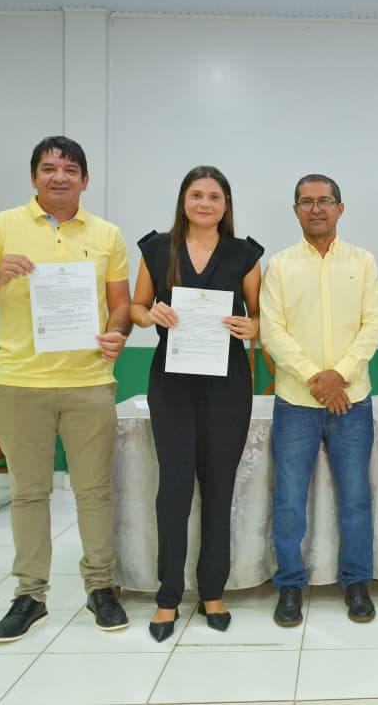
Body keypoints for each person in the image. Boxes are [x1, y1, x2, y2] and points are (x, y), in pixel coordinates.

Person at [0, 135, 132, 642]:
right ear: (34, 178)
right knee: (29, 494)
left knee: (94, 491)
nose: (59, 176)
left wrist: (117, 332)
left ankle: (101, 587)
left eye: (70, 169)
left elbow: (118, 303)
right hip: (20, 381)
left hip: (90, 381)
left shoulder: (107, 234)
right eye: (49, 168)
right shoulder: (0, 227)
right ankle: (30, 595)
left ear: (85, 180)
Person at [129, 165, 263, 642]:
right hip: (173, 385)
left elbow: (263, 316)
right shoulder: (156, 249)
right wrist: (151, 314)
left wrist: (254, 328)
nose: (205, 203)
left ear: (226, 205)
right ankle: (168, 595)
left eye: (214, 196)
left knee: (219, 488)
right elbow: (136, 308)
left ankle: (212, 591)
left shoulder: (244, 254)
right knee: (175, 490)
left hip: (227, 386)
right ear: (183, 200)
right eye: (196, 195)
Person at [259, 174, 378, 627]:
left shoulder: (364, 262)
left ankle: (356, 582)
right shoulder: (280, 265)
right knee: (290, 499)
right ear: (295, 210)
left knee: (354, 498)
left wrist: (340, 377)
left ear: (340, 208)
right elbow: (273, 331)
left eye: (325, 201)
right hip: (296, 402)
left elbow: (373, 325)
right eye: (307, 202)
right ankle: (290, 584)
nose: (316, 208)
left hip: (353, 401)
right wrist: (317, 378)